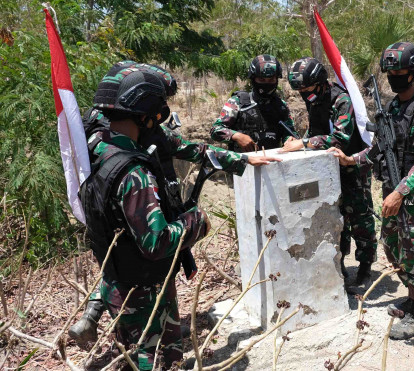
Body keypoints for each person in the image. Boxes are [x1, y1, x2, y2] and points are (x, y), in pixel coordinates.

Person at [78, 65, 278, 369]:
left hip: (124, 277)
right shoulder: (133, 173)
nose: (161, 120)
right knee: (155, 359)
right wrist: (196, 221)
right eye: (158, 111)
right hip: (144, 286)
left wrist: (242, 159)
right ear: (145, 113)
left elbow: (186, 148)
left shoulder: (95, 145)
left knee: (150, 353)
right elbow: (156, 241)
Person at [328, 42, 414, 340]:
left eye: (400, 71)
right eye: (389, 72)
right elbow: (379, 149)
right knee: (392, 246)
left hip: (412, 197)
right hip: (392, 192)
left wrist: (401, 192)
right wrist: (352, 159)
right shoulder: (392, 107)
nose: (394, 76)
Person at [283, 57, 377, 289]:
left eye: (306, 88)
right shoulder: (314, 100)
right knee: (335, 218)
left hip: (352, 166)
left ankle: (365, 269)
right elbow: (319, 131)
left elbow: (340, 138)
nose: (303, 93)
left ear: (319, 82)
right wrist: (299, 140)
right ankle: (339, 266)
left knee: (360, 219)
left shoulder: (341, 99)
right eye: (300, 90)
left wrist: (304, 144)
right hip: (327, 170)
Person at [211, 54, 297, 152]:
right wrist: (236, 136)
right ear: (253, 79)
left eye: (271, 80)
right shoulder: (237, 102)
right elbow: (215, 130)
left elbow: (290, 133)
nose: (266, 84)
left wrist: (290, 140)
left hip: (272, 161)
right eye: (262, 79)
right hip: (243, 163)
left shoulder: (281, 106)